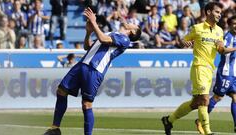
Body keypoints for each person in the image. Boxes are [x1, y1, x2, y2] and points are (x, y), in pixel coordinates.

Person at [43, 7, 141, 135]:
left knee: (86, 105)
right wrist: (88, 32)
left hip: (95, 70)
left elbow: (103, 39)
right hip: (83, 64)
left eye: (134, 24)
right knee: (61, 91)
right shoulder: (112, 33)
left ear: (132, 31)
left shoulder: (125, 40)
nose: (131, 22)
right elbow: (87, 46)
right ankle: (55, 129)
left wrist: (94, 22)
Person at [161, 2, 224, 135]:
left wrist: (222, 46)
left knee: (195, 102)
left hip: (209, 69)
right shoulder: (197, 28)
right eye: (217, 12)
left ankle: (169, 120)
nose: (220, 14)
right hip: (199, 67)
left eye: (220, 12)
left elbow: (221, 49)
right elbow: (183, 40)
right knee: (205, 99)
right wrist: (186, 42)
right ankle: (207, 131)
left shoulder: (220, 31)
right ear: (208, 12)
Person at [195, 15, 236, 134]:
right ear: (229, 25)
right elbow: (223, 50)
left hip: (234, 74)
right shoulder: (227, 37)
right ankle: (200, 120)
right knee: (218, 97)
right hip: (225, 73)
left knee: (235, 98)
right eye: (233, 23)